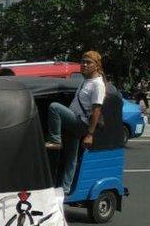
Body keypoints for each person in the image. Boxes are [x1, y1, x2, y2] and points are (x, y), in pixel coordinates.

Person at [45, 50, 106, 192]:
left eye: (88, 62)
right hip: (75, 121)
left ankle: (55, 140)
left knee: (54, 107)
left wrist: (90, 134)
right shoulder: (86, 81)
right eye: (83, 62)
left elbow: (96, 110)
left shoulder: (98, 84)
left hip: (81, 123)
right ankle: (65, 189)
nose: (84, 65)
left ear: (97, 65)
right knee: (71, 157)